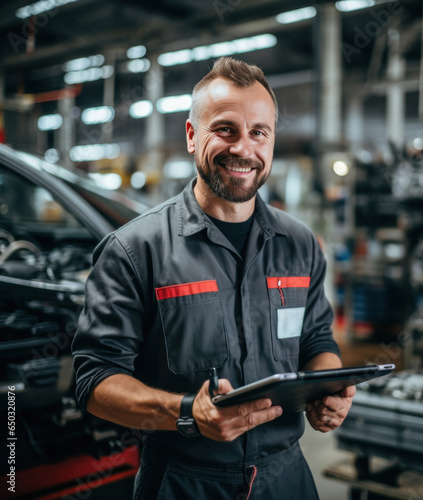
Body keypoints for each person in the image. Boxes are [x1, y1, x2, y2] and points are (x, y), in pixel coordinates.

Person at [72, 56, 355, 500]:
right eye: (225, 129)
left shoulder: (300, 244)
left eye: (258, 132)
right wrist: (186, 412)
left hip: (287, 479)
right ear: (191, 135)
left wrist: (330, 386)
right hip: (183, 481)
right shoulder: (134, 249)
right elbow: (94, 380)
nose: (243, 148)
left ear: (272, 140)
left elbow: (317, 342)